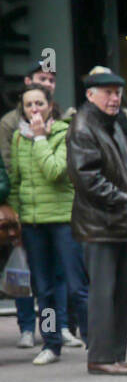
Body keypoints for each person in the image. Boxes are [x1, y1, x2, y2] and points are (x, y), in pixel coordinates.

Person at [66, 67, 127, 374]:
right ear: (90, 95)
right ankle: (100, 357)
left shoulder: (111, 125)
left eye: (117, 92)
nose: (115, 98)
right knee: (104, 292)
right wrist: (123, 199)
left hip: (118, 222)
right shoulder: (85, 126)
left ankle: (115, 355)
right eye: (108, 92)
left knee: (121, 293)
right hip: (102, 223)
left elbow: (126, 169)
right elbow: (86, 177)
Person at [10, 83, 84, 366]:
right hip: (33, 223)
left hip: (62, 220)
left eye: (39, 104)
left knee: (76, 285)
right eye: (29, 105)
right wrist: (17, 220)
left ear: (50, 106)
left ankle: (94, 341)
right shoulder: (19, 137)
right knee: (43, 289)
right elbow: (16, 182)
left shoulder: (64, 133)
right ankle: (51, 344)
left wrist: (40, 139)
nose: (34, 110)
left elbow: (55, 172)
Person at [2, 61, 61, 350]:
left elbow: (59, 171)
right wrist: (14, 215)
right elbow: (10, 173)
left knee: (53, 280)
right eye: (42, 79)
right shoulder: (11, 127)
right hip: (27, 212)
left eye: (51, 81)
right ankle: (27, 328)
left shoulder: (62, 124)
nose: (48, 84)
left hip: (56, 213)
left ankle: (58, 328)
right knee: (25, 275)